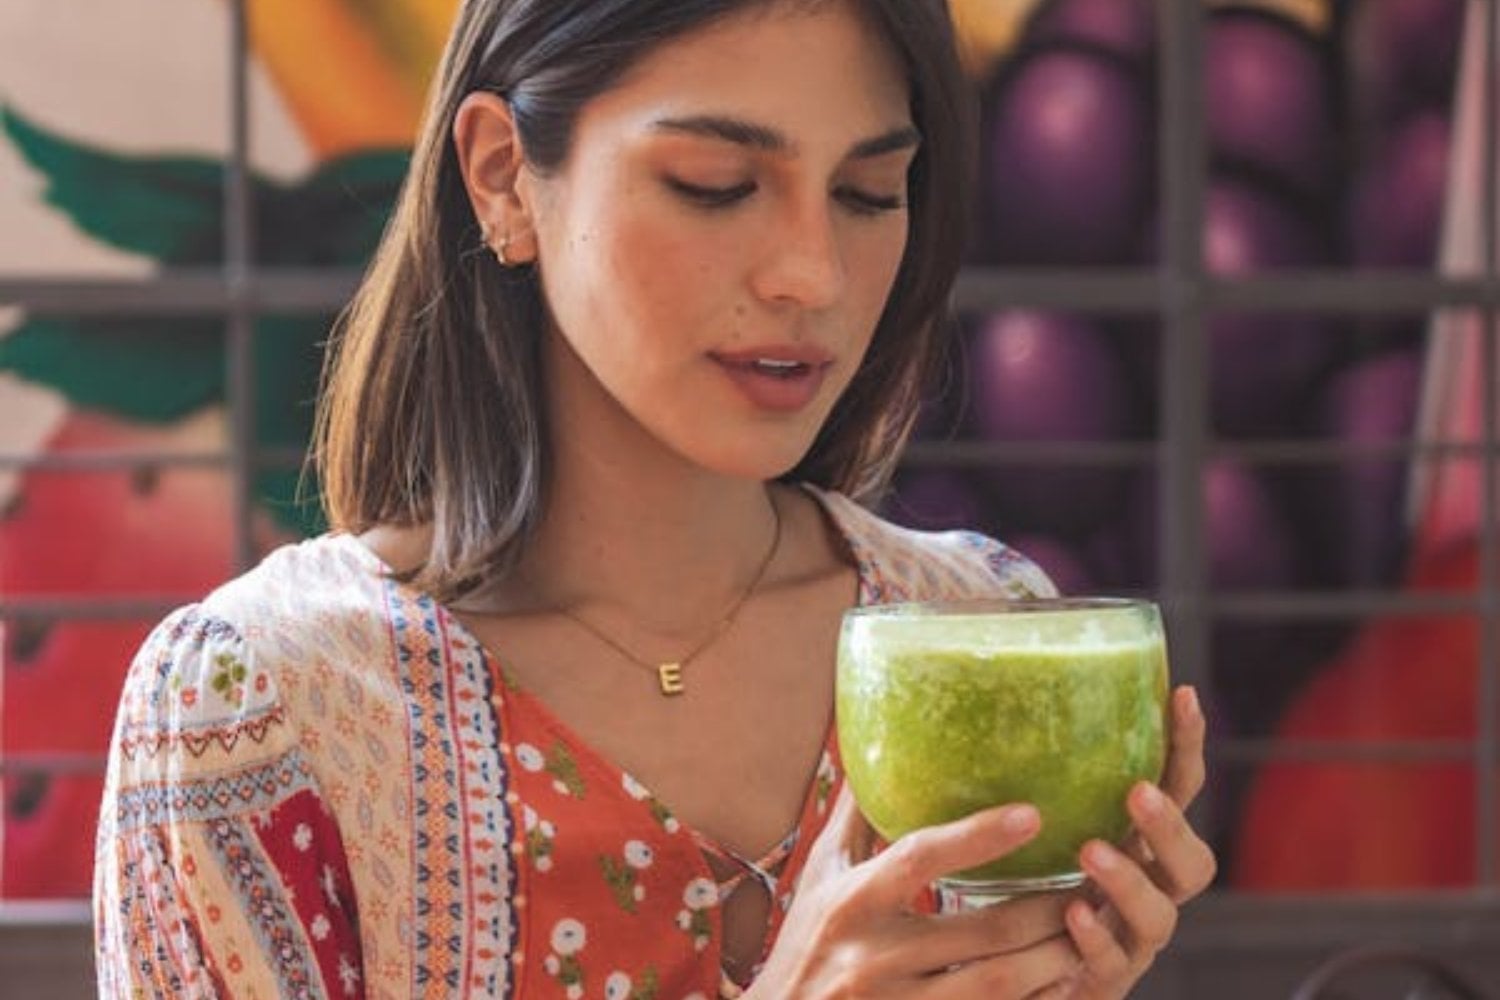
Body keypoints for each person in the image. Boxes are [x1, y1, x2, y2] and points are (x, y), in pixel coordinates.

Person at [93, 0, 1216, 997]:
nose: (813, 275)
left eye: (870, 193)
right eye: (716, 186)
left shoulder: (986, 628)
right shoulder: (259, 713)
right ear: (500, 177)